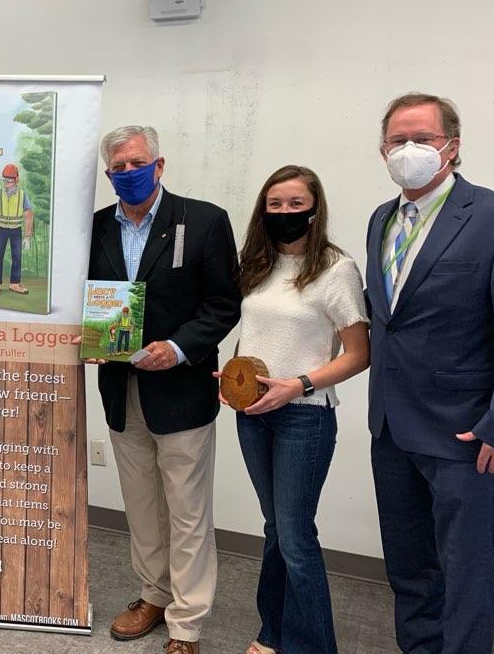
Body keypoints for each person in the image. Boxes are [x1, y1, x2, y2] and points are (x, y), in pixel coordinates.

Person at [366, 93, 494, 654]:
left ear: (452, 147)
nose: (409, 149)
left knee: (465, 579)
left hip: (467, 435)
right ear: (383, 150)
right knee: (411, 572)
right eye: (398, 140)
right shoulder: (381, 219)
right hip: (391, 430)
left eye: (423, 138)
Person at [88, 125, 241, 654]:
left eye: (136, 163)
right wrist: (87, 337)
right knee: (141, 505)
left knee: (188, 512)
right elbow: (86, 301)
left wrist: (176, 348)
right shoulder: (95, 229)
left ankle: (186, 623)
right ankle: (153, 594)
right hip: (120, 387)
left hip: (181, 389)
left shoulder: (202, 221)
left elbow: (223, 305)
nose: (127, 174)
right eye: (117, 168)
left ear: (159, 164)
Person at [219, 165, 369, 654]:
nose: (285, 212)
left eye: (295, 204)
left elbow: (358, 353)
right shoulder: (256, 264)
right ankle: (273, 634)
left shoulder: (335, 268)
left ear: (314, 209)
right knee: (275, 530)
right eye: (275, 204)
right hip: (253, 415)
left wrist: (298, 384)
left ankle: (313, 646)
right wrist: (235, 378)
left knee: (297, 538)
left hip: (305, 415)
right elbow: (256, 334)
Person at [0, 162, 33, 294]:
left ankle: (15, 284)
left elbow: (28, 215)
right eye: (5, 179)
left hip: (16, 230)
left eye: (9, 179)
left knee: (17, 256)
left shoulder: (22, 195)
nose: (6, 182)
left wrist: (27, 236)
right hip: (2, 229)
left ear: (16, 179)